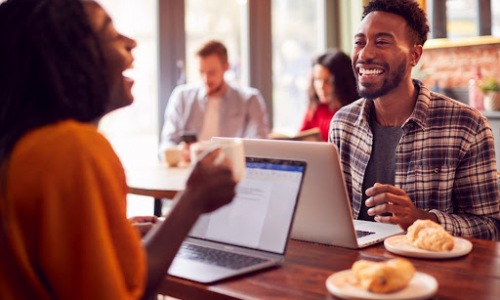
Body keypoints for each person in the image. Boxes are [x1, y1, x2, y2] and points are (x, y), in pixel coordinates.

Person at [0, 0, 237, 299]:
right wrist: (191, 201)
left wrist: (114, 235)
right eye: (108, 32)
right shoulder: (74, 148)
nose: (131, 42)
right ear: (69, 55)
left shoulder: (25, 147)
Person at [329, 0, 500, 240]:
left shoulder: (467, 126)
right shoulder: (342, 124)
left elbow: (490, 228)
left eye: (382, 42)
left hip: (432, 270)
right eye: (359, 42)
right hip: (357, 272)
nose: (365, 53)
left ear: (414, 55)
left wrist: (420, 219)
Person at [159, 40, 269, 156]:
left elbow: (258, 145)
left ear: (226, 67)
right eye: (201, 72)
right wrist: (178, 153)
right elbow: (166, 143)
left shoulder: (250, 100)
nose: (206, 79)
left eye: (212, 73)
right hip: (188, 169)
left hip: (230, 170)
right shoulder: (182, 97)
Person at [300, 49, 358, 142]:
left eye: (328, 81)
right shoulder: (315, 108)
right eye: (317, 79)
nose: (321, 87)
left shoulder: (355, 112)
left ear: (342, 83)